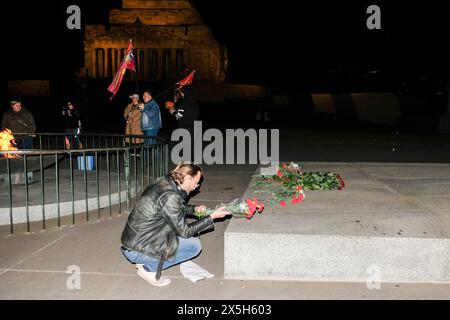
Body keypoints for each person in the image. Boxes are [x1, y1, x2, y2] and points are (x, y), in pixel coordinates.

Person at [120, 162, 231, 287]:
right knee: (194, 246)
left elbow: (173, 208)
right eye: (196, 181)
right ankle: (149, 269)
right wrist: (211, 217)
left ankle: (148, 260)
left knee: (188, 238)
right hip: (138, 248)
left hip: (134, 241)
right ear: (188, 178)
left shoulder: (164, 183)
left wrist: (194, 209)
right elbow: (185, 231)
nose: (197, 186)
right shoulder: (170, 197)